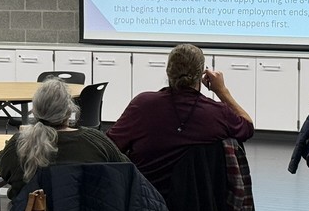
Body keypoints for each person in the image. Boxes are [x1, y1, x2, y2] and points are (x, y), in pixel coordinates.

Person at [107, 43, 254, 191]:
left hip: (144, 201)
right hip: (197, 206)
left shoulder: (143, 105)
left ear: (168, 71)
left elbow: (109, 145)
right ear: (202, 74)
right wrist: (222, 91)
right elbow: (247, 127)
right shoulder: (217, 113)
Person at [0, 78, 129, 199]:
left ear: (35, 110)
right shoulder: (96, 141)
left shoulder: (19, 144)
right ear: (69, 110)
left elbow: (2, 164)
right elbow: (127, 171)